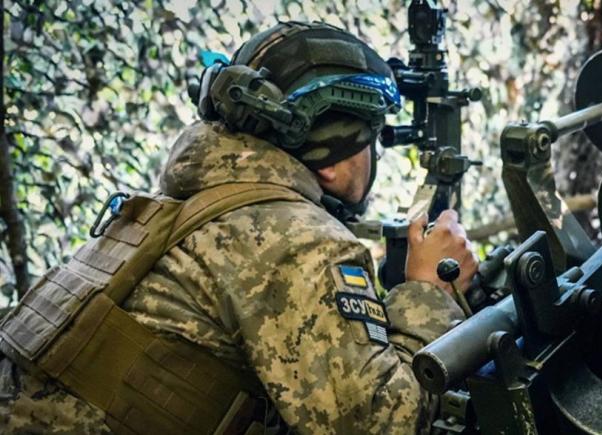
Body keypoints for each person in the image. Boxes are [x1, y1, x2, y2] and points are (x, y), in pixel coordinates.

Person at [0, 21, 478, 434]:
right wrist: (429, 292)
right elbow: (378, 424)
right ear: (332, 158)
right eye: (370, 138)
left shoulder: (197, 201)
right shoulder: (296, 239)